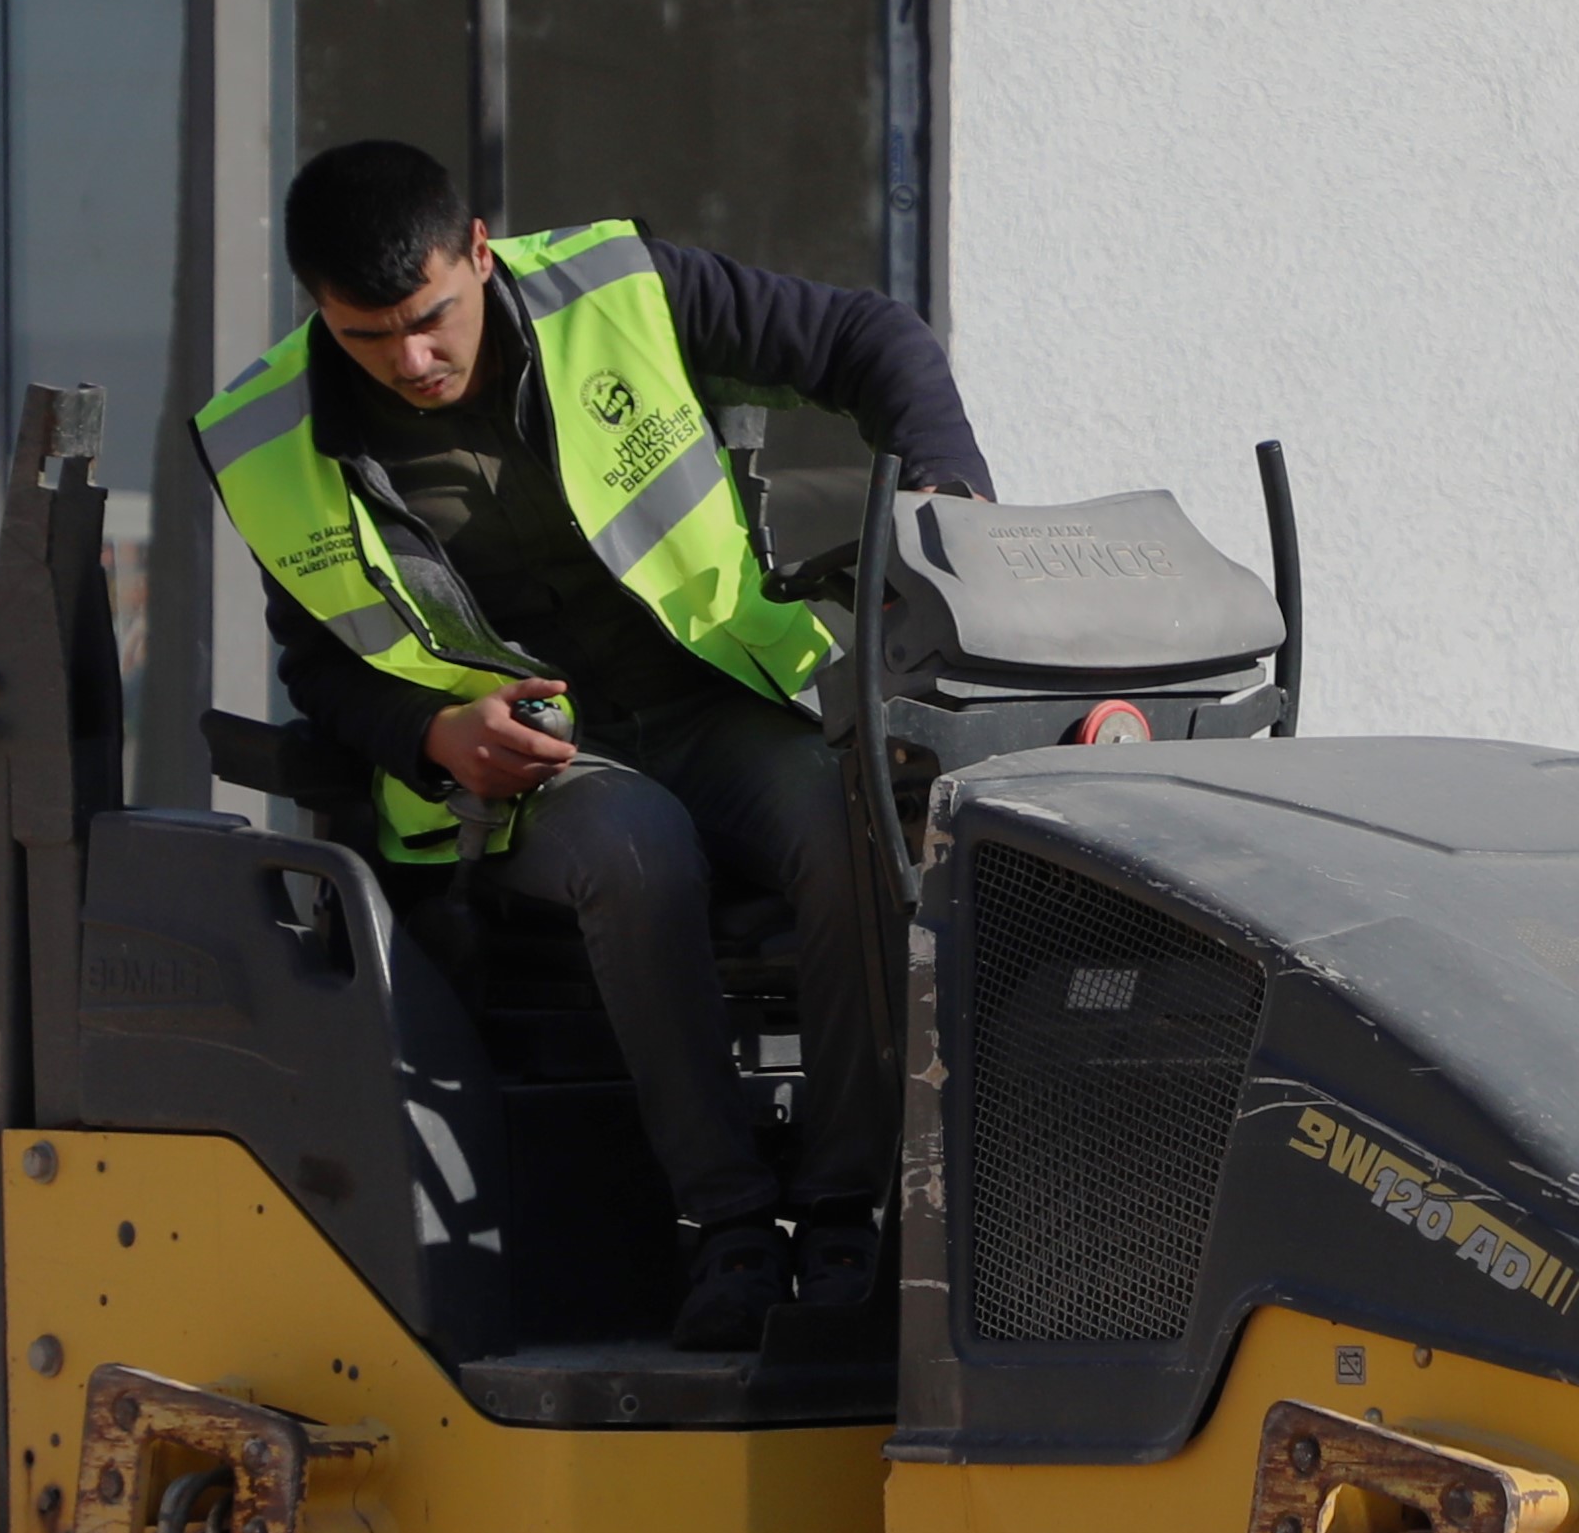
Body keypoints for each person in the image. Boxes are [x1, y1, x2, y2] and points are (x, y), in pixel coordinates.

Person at [204, 140, 992, 1353]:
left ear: (478, 251)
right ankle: (725, 1232)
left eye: (430, 318)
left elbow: (871, 341)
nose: (411, 359)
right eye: (369, 336)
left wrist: (941, 504)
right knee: (636, 849)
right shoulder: (269, 441)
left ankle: (845, 1220)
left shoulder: (616, 293)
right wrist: (432, 731)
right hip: (534, 769)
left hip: (720, 699)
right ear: (317, 307)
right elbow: (321, 671)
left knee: (856, 821)